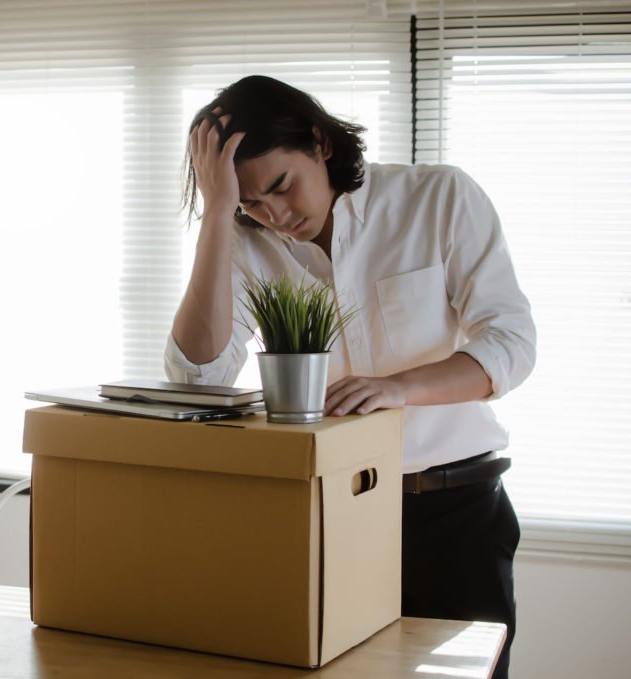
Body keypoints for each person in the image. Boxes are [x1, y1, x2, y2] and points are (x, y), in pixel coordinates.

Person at [164, 75, 536, 679]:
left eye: (281, 187)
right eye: (250, 201)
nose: (275, 215)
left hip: (454, 514)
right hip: (327, 515)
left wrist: (399, 388)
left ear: (319, 142)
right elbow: (197, 377)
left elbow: (511, 344)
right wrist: (215, 218)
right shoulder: (244, 238)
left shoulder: (437, 198)